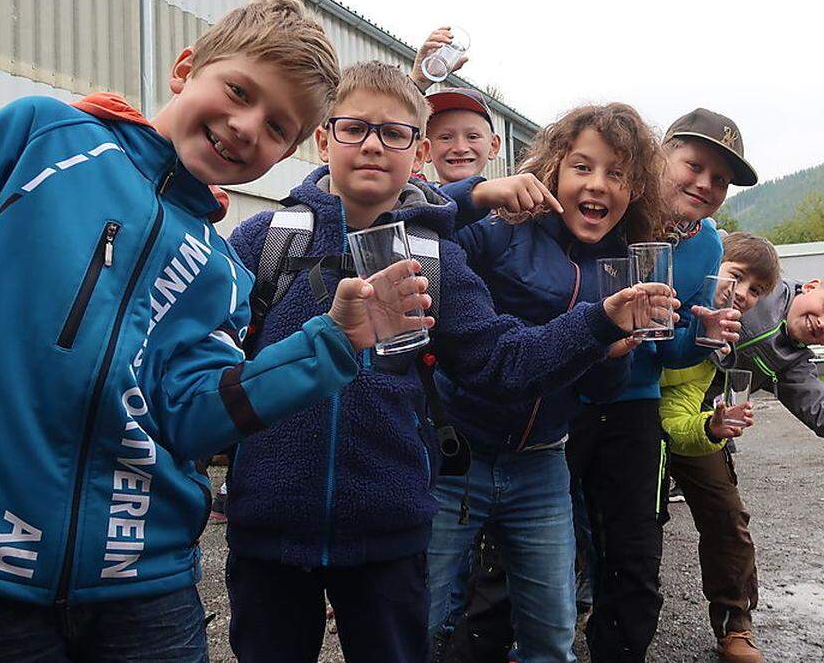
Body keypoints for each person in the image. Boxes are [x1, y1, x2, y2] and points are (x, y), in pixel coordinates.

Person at [0, 0, 406, 661]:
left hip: (147, 591)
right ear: (186, 68)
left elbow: (190, 416)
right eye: (238, 91)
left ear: (289, 154)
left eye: (276, 127)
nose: (247, 127)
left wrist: (332, 340)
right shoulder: (41, 136)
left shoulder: (225, 270)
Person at [222, 62, 669, 663]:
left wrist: (600, 320)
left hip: (390, 535)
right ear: (323, 139)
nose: (375, 144)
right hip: (268, 532)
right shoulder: (263, 240)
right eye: (355, 128)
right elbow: (203, 367)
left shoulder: (435, 259)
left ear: (420, 152)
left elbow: (505, 360)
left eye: (396, 133)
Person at [427, 103, 735, 662]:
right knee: (438, 608)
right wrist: (475, 195)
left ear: (634, 184)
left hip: (558, 443)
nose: (598, 185)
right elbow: (416, 229)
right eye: (583, 168)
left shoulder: (645, 256)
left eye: (616, 174)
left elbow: (633, 359)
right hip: (467, 447)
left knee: (574, 608)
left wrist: (649, 342)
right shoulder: (504, 230)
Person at [567, 107, 755, 662]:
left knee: (636, 555)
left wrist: (702, 335)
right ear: (661, 157)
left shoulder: (710, 248)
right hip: (566, 395)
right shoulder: (613, 209)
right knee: (548, 539)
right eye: (694, 165)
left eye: (719, 180)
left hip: (635, 405)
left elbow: (666, 353)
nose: (705, 184)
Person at [662, 267, 824, 663]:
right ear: (810, 288)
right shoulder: (757, 286)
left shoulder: (793, 363)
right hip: (646, 390)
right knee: (618, 511)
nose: (821, 323)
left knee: (727, 517)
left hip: (705, 425)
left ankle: (735, 627)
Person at [658, 232, 776, 663]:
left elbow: (677, 410)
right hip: (614, 414)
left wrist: (710, 426)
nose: (743, 294)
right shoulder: (671, 282)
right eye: (738, 277)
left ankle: (735, 624)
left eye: (756, 291)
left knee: (727, 512)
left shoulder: (724, 335)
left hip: (683, 419)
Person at [425, 87, 501, 193]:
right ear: (425, 149)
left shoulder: (510, 207)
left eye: (472, 137)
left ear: (493, 146)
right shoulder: (407, 201)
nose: (460, 148)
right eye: (445, 138)